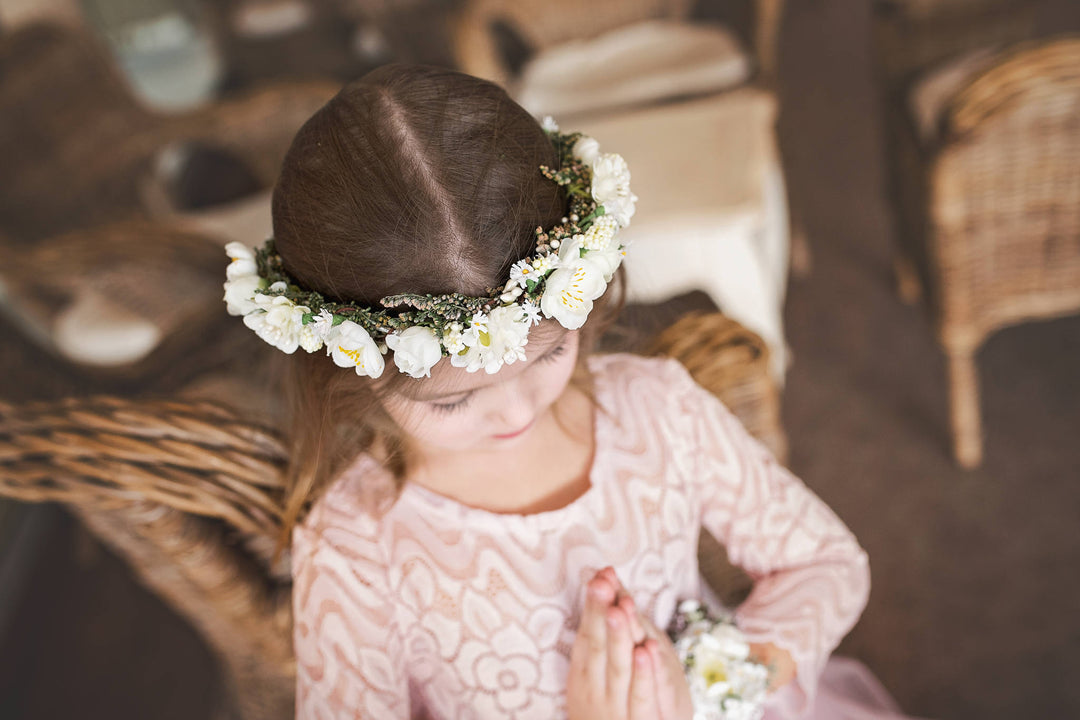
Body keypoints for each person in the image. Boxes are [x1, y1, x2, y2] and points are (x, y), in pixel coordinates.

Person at [226, 64, 917, 719]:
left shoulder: (658, 410)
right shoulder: (357, 546)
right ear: (351, 366)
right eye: (453, 400)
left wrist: (716, 688)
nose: (518, 409)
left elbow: (824, 563)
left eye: (550, 352)